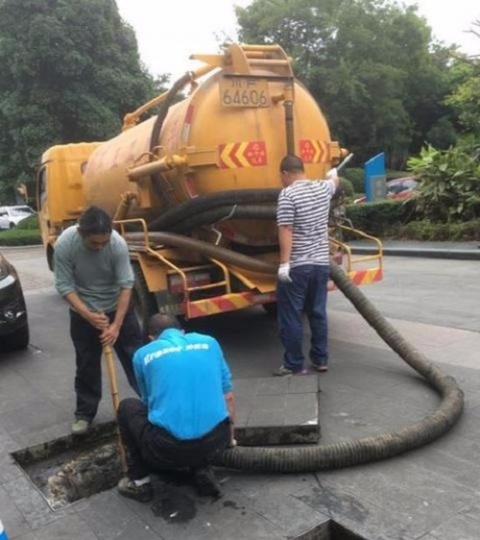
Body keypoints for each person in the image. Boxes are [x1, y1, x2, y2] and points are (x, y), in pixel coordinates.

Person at [116, 313, 236, 502]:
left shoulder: (143, 355)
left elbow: (149, 403)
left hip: (168, 450)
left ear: (152, 338)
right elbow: (228, 396)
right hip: (216, 442)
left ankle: (139, 482)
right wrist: (229, 441)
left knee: (127, 407)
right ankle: (201, 469)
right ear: (182, 331)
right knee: (198, 411)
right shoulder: (210, 342)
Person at [54, 205, 143, 435]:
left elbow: (126, 285)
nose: (100, 246)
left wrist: (116, 325)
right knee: (86, 364)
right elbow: (64, 286)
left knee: (136, 358)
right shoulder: (65, 244)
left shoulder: (117, 244)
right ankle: (84, 413)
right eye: (95, 243)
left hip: (118, 308)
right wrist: (88, 315)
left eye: (104, 242)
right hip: (83, 312)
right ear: (81, 233)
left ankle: (152, 403)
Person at [274, 154, 340, 376]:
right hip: (321, 264)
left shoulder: (288, 194)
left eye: (281, 176)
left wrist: (284, 264)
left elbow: (286, 229)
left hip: (299, 266)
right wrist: (334, 175)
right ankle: (321, 360)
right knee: (317, 312)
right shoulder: (323, 188)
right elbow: (334, 182)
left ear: (286, 173)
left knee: (291, 315)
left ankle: (294, 364)